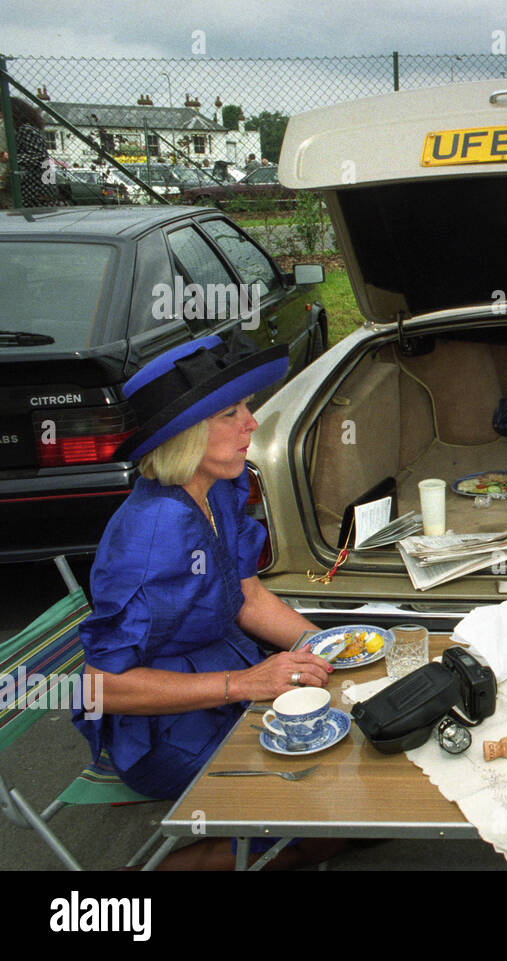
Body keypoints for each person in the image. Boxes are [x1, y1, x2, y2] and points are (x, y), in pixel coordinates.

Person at [72, 331, 340, 869]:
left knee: (345, 781)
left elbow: (246, 595)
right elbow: (100, 687)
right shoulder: (156, 531)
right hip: (162, 729)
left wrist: (329, 646)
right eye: (229, 414)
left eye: (245, 407)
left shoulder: (215, 486)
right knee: (327, 799)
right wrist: (246, 683)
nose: (252, 424)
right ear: (186, 435)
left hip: (227, 679)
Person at [4, 98, 59, 207]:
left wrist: (12, 158)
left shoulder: (26, 129)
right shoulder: (30, 128)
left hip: (33, 187)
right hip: (37, 185)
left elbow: (38, 157)